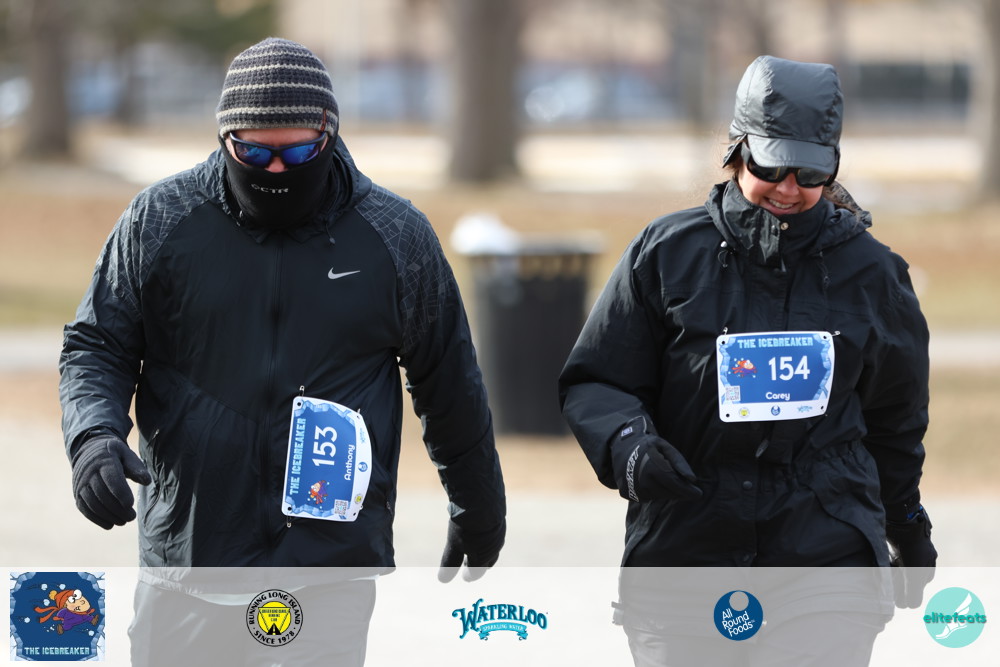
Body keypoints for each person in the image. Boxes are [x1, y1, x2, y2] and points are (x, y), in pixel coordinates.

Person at [58, 37, 506, 665]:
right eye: (253, 152)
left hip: (327, 571)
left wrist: (478, 505)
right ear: (224, 137)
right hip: (189, 557)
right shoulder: (158, 221)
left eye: (297, 153)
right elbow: (97, 344)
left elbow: (448, 379)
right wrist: (93, 437)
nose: (275, 171)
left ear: (329, 136)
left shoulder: (396, 236)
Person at [559, 55, 936, 665]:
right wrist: (630, 447)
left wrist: (907, 527)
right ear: (737, 152)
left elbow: (895, 422)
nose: (788, 188)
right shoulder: (666, 254)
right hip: (684, 549)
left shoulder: (874, 275)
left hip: (826, 554)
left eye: (809, 172)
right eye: (771, 166)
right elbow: (598, 381)